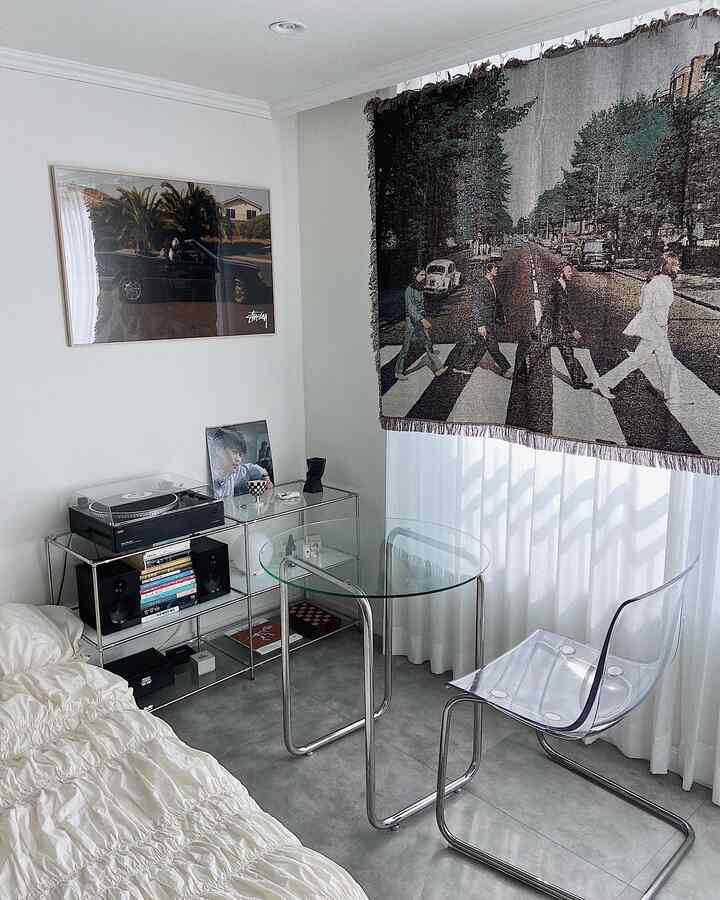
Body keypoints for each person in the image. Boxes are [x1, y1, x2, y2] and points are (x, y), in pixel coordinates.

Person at [590, 253, 681, 401]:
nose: (678, 268)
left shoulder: (655, 281)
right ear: (667, 267)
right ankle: (604, 382)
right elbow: (656, 308)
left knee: (665, 360)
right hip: (656, 328)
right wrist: (661, 325)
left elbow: (642, 302)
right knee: (640, 359)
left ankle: (672, 394)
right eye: (675, 265)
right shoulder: (660, 283)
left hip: (654, 327)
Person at [520, 262, 586, 387]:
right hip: (551, 329)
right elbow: (559, 312)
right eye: (569, 271)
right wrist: (572, 330)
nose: (571, 274)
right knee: (536, 353)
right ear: (562, 273)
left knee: (568, 353)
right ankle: (521, 375)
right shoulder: (557, 287)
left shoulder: (561, 285)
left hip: (557, 328)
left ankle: (578, 381)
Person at [453, 261, 511, 378]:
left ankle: (460, 365)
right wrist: (480, 324)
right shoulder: (481, 284)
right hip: (484, 321)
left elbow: (496, 302)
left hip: (490, 320)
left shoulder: (491, 282)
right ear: (489, 270)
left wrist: (501, 316)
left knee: (477, 345)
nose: (497, 270)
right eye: (495, 268)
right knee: (491, 345)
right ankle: (505, 369)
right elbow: (476, 305)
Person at [395, 267, 447, 381]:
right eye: (422, 275)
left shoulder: (420, 288)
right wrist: (422, 320)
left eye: (425, 275)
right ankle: (398, 371)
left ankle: (438, 368)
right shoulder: (409, 290)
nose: (424, 277)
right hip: (412, 321)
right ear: (415, 275)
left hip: (421, 318)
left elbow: (422, 305)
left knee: (428, 342)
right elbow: (411, 308)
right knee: (406, 346)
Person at [210, 429, 272, 497]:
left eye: (240, 455)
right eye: (234, 452)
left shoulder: (233, 473)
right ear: (218, 449)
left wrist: (265, 476)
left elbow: (251, 468)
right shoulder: (209, 478)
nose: (239, 459)